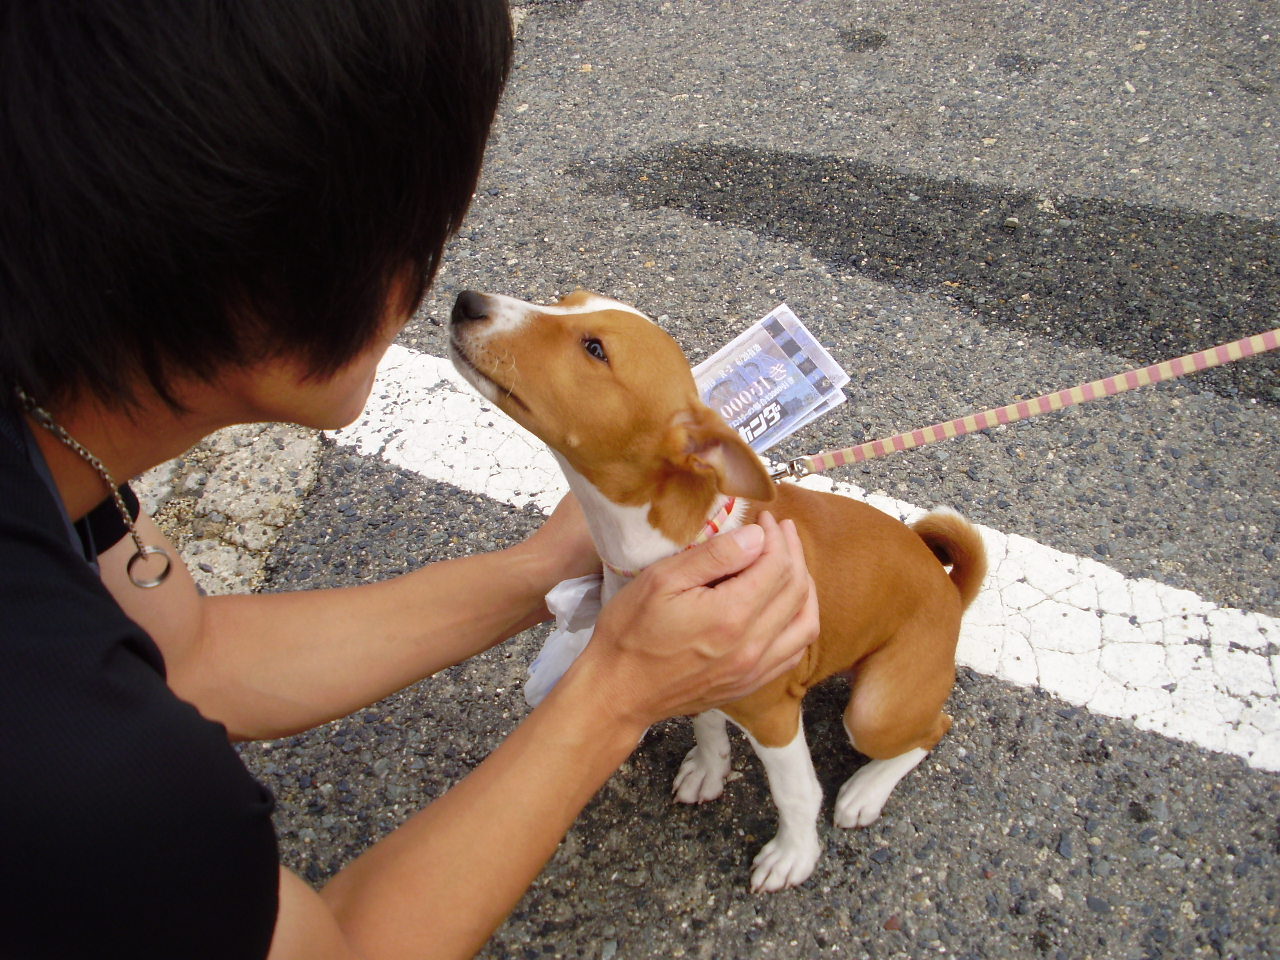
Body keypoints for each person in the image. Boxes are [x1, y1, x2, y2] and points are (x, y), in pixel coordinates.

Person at [0, 2, 818, 958]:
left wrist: (551, 566)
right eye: (423, 231)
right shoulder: (67, 767)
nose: (439, 283)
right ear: (268, 258)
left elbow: (192, 658)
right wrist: (618, 693)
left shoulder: (52, 449)